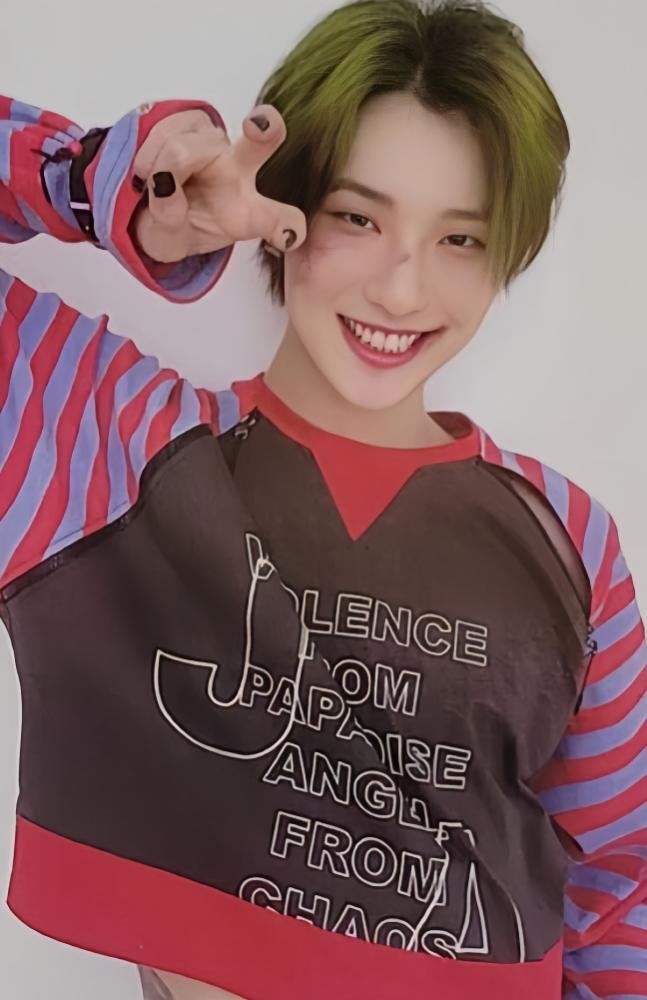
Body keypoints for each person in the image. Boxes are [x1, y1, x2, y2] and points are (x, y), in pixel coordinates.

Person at [0, 0, 645, 998]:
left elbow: (614, 890)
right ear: (281, 206)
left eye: (460, 239)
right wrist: (112, 186)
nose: (401, 289)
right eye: (356, 217)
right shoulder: (111, 450)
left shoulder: (566, 542)